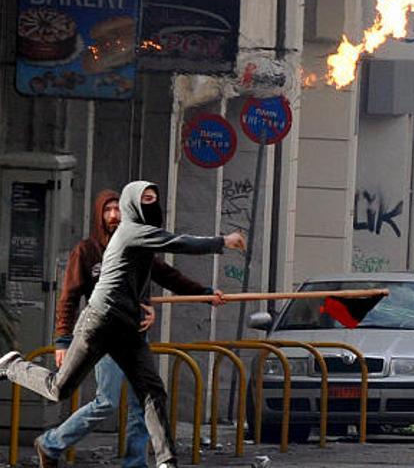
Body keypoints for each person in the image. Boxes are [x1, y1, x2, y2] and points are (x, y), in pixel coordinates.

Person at [0, 181, 246, 468]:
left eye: (153, 202)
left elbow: (169, 276)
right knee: (61, 389)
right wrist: (223, 241)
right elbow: (178, 242)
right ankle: (11, 366)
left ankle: (166, 461)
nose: (146, 208)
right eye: (143, 202)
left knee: (152, 391)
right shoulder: (127, 234)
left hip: (129, 329)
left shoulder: (145, 243)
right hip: (100, 322)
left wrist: (205, 294)